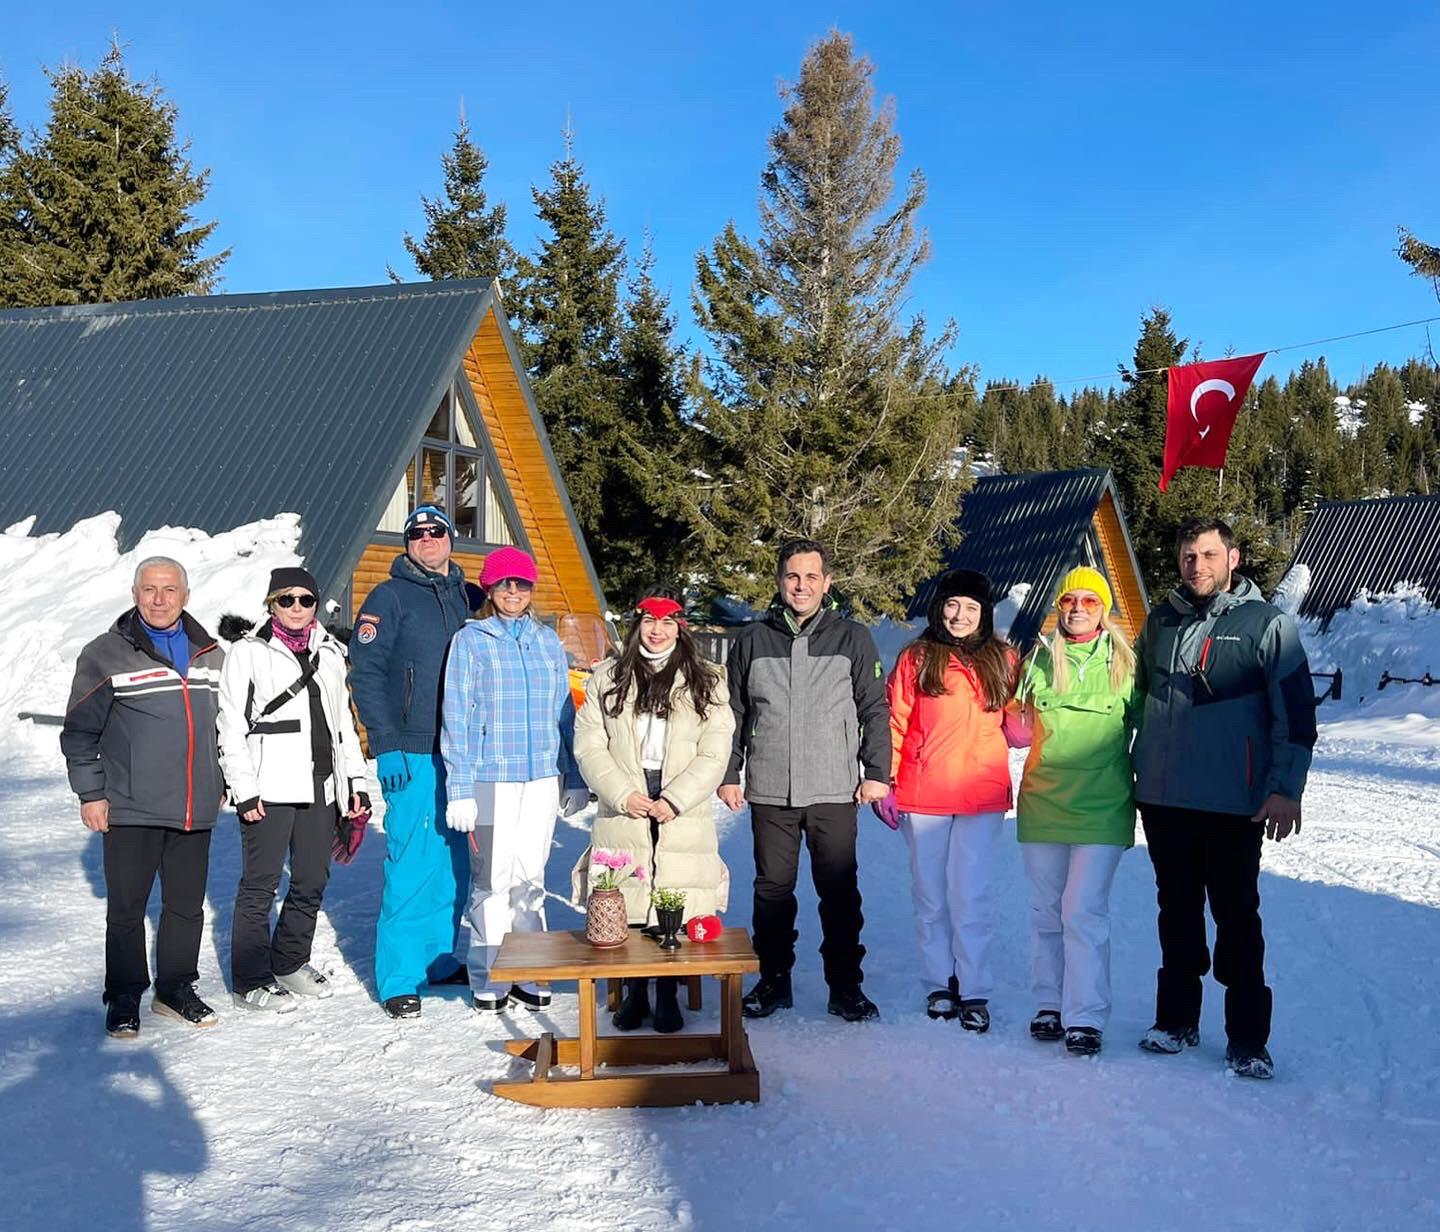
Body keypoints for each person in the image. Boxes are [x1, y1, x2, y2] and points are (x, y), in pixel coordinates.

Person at [1133, 517, 1316, 1079]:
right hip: (1165, 800)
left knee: (1237, 917)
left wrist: (1285, 788)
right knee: (1176, 912)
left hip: (1234, 802)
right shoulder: (1160, 621)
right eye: (1189, 555)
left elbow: (1297, 714)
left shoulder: (1266, 623)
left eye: (1209, 555)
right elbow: (1135, 698)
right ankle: (1177, 1021)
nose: (1197, 566)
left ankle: (1247, 1040)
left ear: (1232, 559)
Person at [720, 539, 891, 1023]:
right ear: (779, 581)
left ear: (827, 583)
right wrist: (729, 773)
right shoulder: (753, 639)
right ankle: (774, 981)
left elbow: (874, 708)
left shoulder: (852, 638)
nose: (802, 586)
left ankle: (846, 988)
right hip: (771, 788)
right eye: (793, 576)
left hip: (834, 789)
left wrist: (876, 772)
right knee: (772, 890)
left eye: (812, 577)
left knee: (838, 892)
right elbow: (733, 713)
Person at [61, 557, 226, 1038]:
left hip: (194, 806)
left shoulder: (212, 654)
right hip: (130, 805)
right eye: (150, 589)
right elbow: (78, 733)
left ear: (186, 595)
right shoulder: (105, 654)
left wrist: (225, 782)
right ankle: (125, 995)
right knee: (128, 908)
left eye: (169, 589)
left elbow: (229, 730)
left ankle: (175, 989)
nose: (160, 599)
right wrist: (91, 793)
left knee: (185, 906)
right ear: (135, 593)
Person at [573, 591, 734, 1034]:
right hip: (627, 791)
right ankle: (635, 990)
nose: (657, 630)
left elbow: (716, 749)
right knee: (629, 890)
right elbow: (589, 743)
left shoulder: (707, 680)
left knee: (672, 890)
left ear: (679, 628)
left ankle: (667, 990)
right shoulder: (608, 677)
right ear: (636, 625)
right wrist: (621, 792)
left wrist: (678, 797)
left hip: (680, 798)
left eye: (666, 623)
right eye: (648, 621)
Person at [440, 545, 589, 1013]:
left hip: (542, 777)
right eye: (503, 583)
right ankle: (489, 976)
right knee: (492, 880)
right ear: (489, 587)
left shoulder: (547, 642)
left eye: (521, 583)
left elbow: (565, 713)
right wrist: (460, 788)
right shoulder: (471, 640)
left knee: (531, 878)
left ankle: (532, 971)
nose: (512, 591)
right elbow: (456, 716)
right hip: (491, 779)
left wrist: (573, 774)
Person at [216, 567, 371, 1013]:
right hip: (269, 787)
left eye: (306, 599)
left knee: (311, 879)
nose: (297, 608)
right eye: (287, 600)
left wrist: (354, 783)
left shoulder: (330, 652)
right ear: (271, 604)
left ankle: (289, 960)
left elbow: (344, 725)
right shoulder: (248, 652)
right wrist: (243, 789)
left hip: (321, 786)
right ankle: (250, 980)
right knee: (260, 884)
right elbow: (229, 725)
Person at [880, 569, 1019, 1033]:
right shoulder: (918, 657)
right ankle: (940, 982)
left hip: (980, 797)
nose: (959, 616)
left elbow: (1019, 722)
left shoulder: (1004, 658)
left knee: (971, 895)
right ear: (940, 607)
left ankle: (975, 987)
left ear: (984, 614)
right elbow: (894, 722)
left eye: (971, 608)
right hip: (924, 794)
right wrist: (886, 780)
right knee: (932, 895)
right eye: (952, 605)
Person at [348, 504, 471, 1019]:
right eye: (416, 534)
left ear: (449, 539)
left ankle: (438, 959)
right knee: (411, 862)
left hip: (462, 753)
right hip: (414, 750)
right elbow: (366, 672)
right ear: (407, 544)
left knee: (453, 864)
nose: (426, 540)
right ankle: (400, 975)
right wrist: (386, 740)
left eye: (435, 532)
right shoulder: (389, 596)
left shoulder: (467, 597)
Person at [1013, 567, 1139, 1056]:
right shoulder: (1038, 662)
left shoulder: (1127, 664)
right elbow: (1011, 726)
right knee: (1046, 912)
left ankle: (1085, 1016)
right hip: (1044, 804)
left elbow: (1151, 730)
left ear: (1103, 608)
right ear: (1059, 606)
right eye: (1070, 600)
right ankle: (1050, 1003)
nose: (1079, 609)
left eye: (1090, 600)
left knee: (1082, 912)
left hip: (1103, 808)